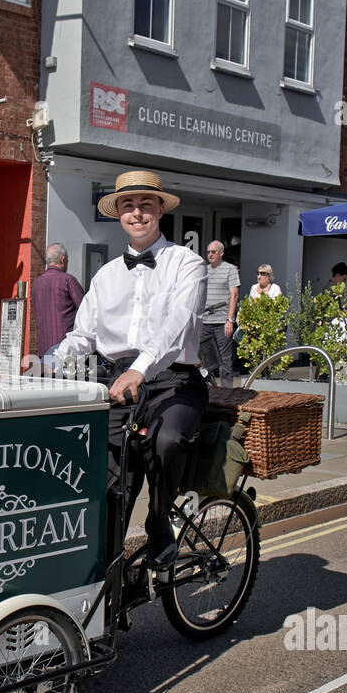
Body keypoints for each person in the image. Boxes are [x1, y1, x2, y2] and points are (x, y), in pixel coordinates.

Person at [50, 169, 207, 571]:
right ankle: (110, 598)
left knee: (167, 441)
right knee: (108, 490)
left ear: (160, 210)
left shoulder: (187, 263)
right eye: (128, 206)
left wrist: (140, 369)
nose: (137, 213)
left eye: (145, 205)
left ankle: (159, 522)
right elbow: (82, 335)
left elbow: (177, 328)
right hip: (120, 383)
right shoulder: (105, 275)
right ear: (118, 213)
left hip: (175, 380)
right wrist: (46, 365)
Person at [32, 242, 85, 357]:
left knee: (46, 374)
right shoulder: (67, 280)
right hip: (66, 347)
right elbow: (85, 309)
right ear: (63, 259)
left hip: (43, 346)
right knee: (76, 375)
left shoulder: (37, 283)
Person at [199, 241, 240, 387]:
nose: (210, 254)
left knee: (225, 360)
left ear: (221, 253)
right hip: (204, 321)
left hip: (222, 321)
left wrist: (230, 320)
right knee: (204, 359)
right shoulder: (203, 270)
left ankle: (227, 395)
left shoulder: (230, 269)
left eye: (213, 252)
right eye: (208, 251)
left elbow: (234, 295)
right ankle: (209, 390)